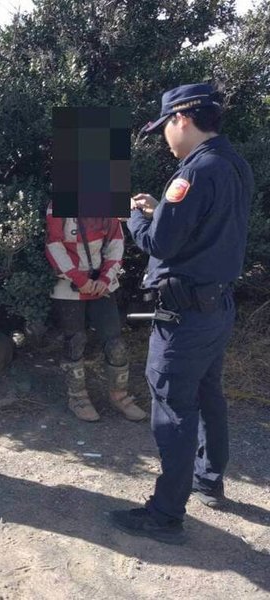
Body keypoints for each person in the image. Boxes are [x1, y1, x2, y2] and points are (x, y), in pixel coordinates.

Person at [110, 84, 253, 544]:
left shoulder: (192, 173)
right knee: (209, 395)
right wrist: (162, 211)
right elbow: (206, 229)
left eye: (165, 127)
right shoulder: (234, 164)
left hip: (184, 316)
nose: (165, 139)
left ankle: (165, 514)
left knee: (172, 406)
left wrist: (135, 215)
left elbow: (159, 243)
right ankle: (209, 479)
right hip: (216, 307)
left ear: (183, 120)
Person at [45, 205, 146, 422]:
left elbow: (116, 242)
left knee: (115, 344)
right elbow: (54, 245)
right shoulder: (57, 207)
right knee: (75, 341)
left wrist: (105, 279)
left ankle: (119, 396)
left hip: (102, 284)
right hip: (68, 285)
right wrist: (79, 279)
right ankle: (78, 398)